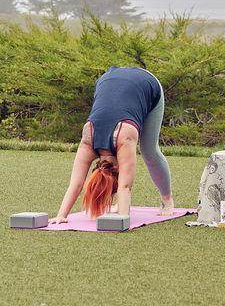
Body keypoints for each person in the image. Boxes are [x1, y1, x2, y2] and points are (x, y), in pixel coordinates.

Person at [49, 66, 173, 224]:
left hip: (146, 83)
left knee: (149, 152)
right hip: (107, 80)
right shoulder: (87, 140)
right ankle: (121, 203)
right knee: (145, 151)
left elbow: (125, 186)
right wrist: (61, 215)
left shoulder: (123, 139)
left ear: (117, 172)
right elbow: (76, 184)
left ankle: (167, 200)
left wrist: (122, 219)